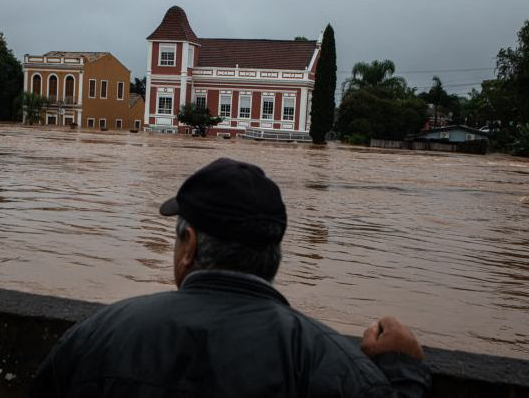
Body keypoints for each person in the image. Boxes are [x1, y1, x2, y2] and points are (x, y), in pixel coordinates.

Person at [31, 158, 431, 397]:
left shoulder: (96, 338)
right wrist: (403, 370)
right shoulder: (329, 362)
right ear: (274, 255)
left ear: (188, 246)